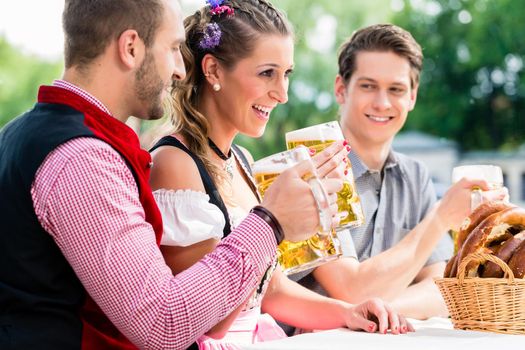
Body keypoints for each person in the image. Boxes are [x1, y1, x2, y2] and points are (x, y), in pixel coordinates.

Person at [0, 1, 348, 349]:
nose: (182, 69)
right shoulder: (83, 159)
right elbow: (163, 325)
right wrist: (272, 223)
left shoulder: (21, 134)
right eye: (171, 49)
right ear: (131, 47)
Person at [149, 2, 411, 349]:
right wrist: (276, 226)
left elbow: (269, 289)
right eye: (266, 73)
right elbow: (210, 320)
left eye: (286, 73)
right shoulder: (175, 163)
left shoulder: (240, 159)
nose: (282, 94)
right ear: (212, 70)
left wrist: (348, 312)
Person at [287, 23, 509, 322]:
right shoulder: (311, 172)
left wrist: (381, 312)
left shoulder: (414, 176)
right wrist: (440, 217)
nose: (382, 102)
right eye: (368, 86)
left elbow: (439, 291)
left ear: (412, 97)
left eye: (396, 89)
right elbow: (350, 290)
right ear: (341, 89)